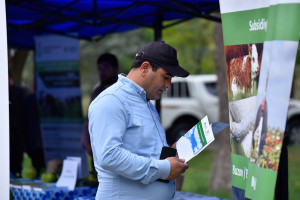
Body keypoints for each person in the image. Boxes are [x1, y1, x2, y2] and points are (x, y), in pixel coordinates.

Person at [88, 41, 189, 199]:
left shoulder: (143, 100)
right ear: (145, 68)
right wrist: (164, 168)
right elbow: (109, 155)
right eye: (166, 76)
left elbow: (141, 150)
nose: (169, 84)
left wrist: (169, 152)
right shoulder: (112, 100)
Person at [81, 53, 119, 156]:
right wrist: (86, 142)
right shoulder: (96, 92)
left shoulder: (122, 90)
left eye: (106, 67)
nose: (102, 71)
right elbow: (89, 121)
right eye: (99, 68)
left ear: (116, 69)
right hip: (97, 152)